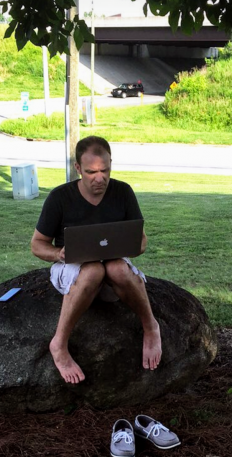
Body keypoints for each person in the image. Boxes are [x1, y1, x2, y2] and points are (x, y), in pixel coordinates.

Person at [31, 136, 162, 384]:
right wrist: (58, 253)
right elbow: (37, 245)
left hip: (113, 270)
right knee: (92, 270)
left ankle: (151, 327)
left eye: (105, 170)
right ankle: (59, 344)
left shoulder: (123, 192)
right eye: (91, 172)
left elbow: (142, 241)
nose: (99, 178)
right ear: (78, 168)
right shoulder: (60, 198)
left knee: (117, 268)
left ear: (111, 164)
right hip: (72, 268)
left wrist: (132, 247)